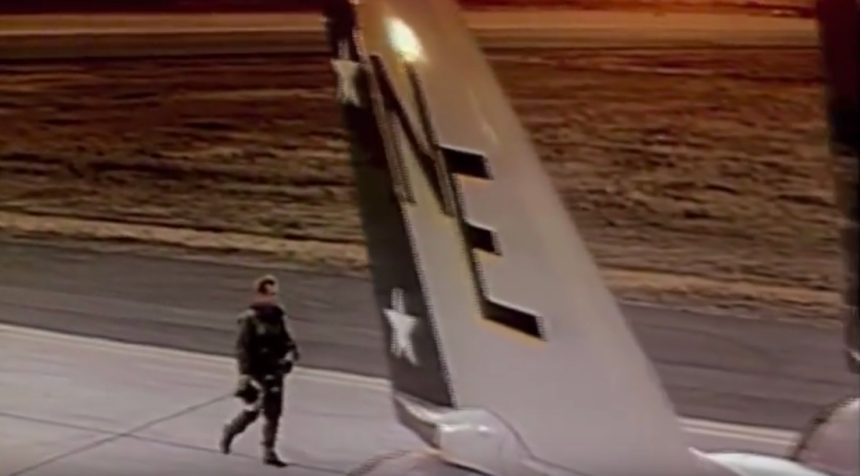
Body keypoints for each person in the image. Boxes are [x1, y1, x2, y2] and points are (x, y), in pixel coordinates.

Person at [220, 275, 299, 467]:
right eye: (268, 294)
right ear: (259, 294)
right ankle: (231, 431)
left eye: (274, 294)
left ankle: (269, 452)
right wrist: (245, 374)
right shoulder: (250, 319)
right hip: (257, 370)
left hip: (275, 369)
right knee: (255, 409)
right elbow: (243, 348)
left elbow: (286, 339)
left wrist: (291, 354)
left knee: (274, 412)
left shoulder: (277, 316)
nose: (272, 297)